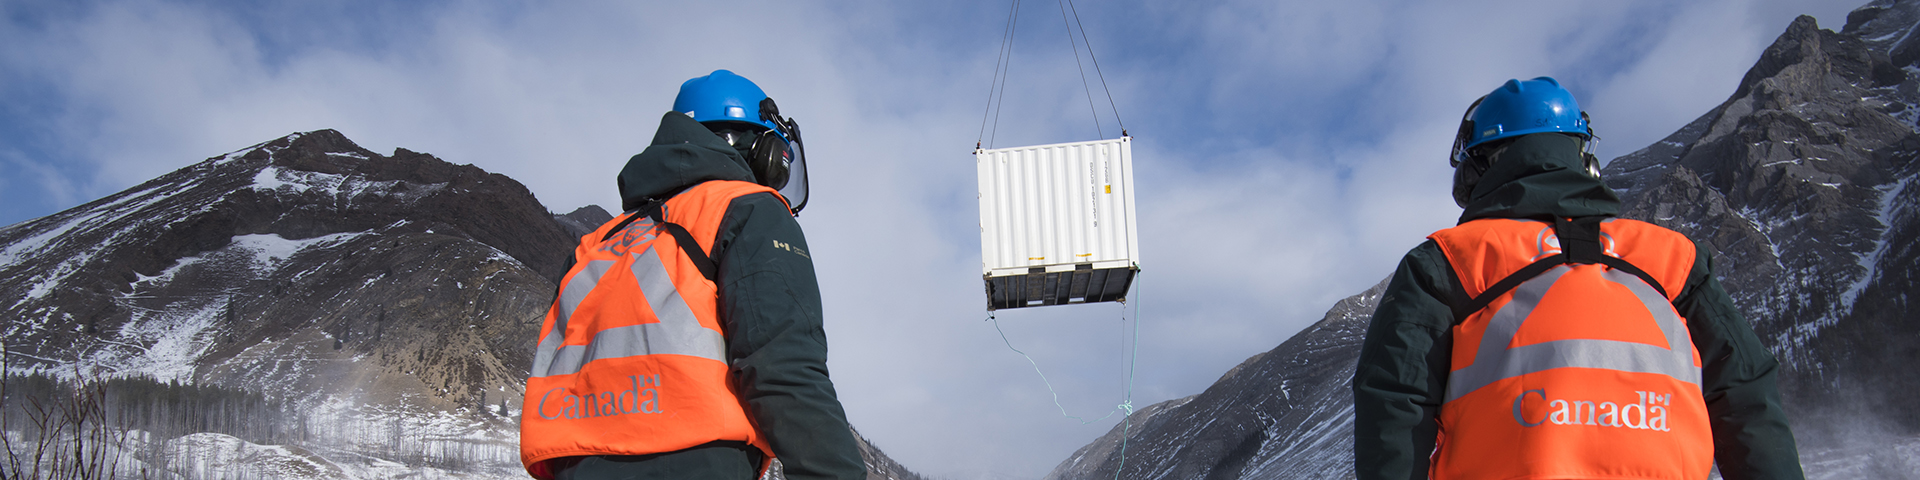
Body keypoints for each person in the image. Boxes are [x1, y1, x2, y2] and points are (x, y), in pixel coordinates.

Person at [1351, 77, 1804, 480]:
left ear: (1477, 168)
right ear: (1584, 159)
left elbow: (1394, 403)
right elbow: (1745, 393)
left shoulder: (1450, 262)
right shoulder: (1674, 262)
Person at [519, 70, 863, 480]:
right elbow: (782, 361)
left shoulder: (595, 244)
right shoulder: (745, 208)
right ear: (764, 152)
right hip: (697, 463)